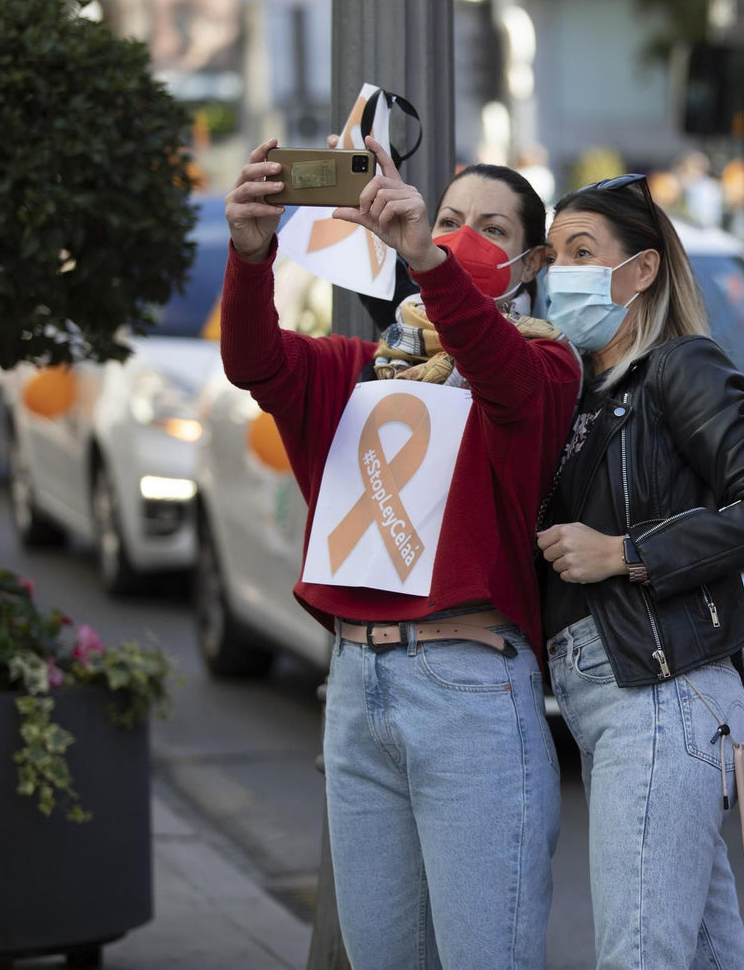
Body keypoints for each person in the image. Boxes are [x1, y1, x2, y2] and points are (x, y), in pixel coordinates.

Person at [221, 136, 581, 970]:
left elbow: (497, 374)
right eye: (448, 217)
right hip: (356, 686)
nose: (458, 235)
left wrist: (425, 260)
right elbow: (256, 362)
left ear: (529, 263)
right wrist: (250, 252)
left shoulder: (545, 363)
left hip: (472, 694)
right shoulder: (362, 372)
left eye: (489, 229)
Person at [534, 175, 744, 970]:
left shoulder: (678, 367)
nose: (562, 273)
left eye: (583, 252)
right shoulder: (578, 392)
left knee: (640, 954)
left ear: (642, 270)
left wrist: (627, 552)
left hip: (660, 693)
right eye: (552, 256)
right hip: (620, 700)